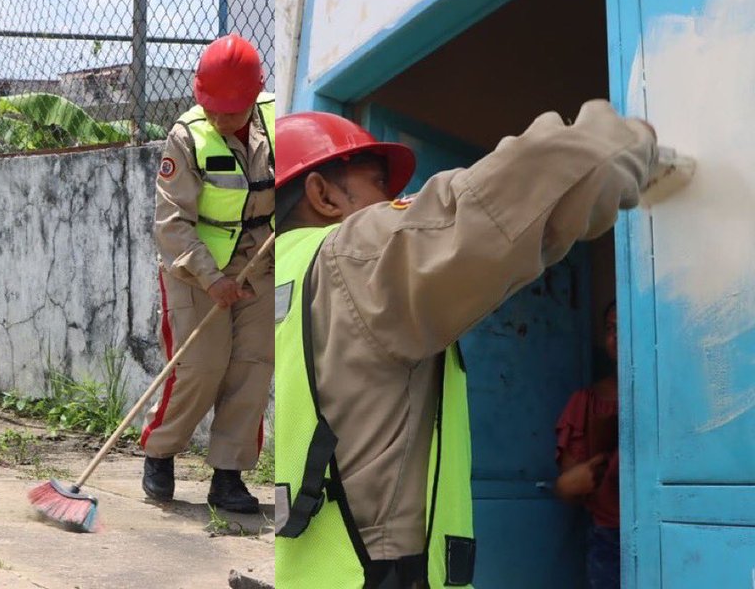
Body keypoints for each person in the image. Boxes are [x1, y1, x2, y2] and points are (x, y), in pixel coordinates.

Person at [274, 104, 658, 589]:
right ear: (322, 194)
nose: (391, 199)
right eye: (378, 183)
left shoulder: (274, 281)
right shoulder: (352, 257)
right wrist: (637, 141)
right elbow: (554, 171)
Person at [140, 35, 274, 513]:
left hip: (261, 260)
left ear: (254, 98)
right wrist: (210, 276)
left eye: (231, 112)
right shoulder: (187, 134)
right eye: (211, 108)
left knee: (253, 366)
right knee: (202, 365)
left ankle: (229, 476)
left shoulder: (279, 122)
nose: (219, 119)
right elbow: (171, 221)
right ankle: (159, 451)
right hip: (194, 264)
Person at [555, 302, 621, 589]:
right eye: (610, 328)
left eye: (626, 326)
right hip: (609, 538)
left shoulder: (674, 394)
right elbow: (566, 484)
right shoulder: (587, 401)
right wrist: (573, 482)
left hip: (668, 532)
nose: (617, 337)